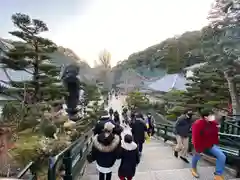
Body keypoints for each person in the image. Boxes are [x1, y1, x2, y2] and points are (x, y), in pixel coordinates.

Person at [191, 109, 226, 180]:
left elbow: (216, 126)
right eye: (211, 115)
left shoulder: (211, 123)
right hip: (200, 144)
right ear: (205, 117)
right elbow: (195, 137)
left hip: (210, 144)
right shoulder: (197, 124)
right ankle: (193, 168)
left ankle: (218, 175)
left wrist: (217, 126)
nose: (213, 117)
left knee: (222, 156)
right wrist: (197, 148)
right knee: (196, 156)